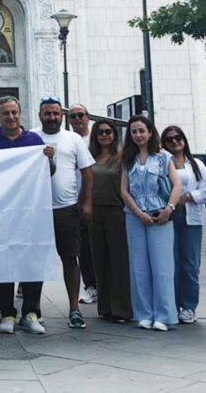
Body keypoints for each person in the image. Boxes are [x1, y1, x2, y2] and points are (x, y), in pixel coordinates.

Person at [0, 96, 46, 334]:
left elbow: (47, 173)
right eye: (5, 113)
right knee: (2, 262)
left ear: (20, 114)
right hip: (0, 214)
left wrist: (49, 160)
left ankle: (30, 313)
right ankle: (7, 312)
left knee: (31, 262)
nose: (10, 117)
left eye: (14, 113)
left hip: (29, 213)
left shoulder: (34, 141)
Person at [31, 98, 94, 330]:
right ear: (40, 115)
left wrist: (86, 203)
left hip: (66, 208)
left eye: (56, 113)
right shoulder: (31, 137)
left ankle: (74, 308)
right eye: (47, 114)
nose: (52, 118)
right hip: (37, 209)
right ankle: (33, 308)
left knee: (70, 257)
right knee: (35, 260)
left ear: (61, 116)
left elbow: (87, 172)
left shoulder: (73, 139)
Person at [120, 115, 182, 331]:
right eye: (134, 131)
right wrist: (138, 213)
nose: (138, 135)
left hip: (159, 215)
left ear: (149, 132)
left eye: (141, 131)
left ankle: (164, 315)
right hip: (135, 216)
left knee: (162, 267)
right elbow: (124, 190)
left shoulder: (164, 157)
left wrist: (169, 209)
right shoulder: (128, 158)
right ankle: (144, 314)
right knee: (139, 267)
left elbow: (177, 185)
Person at [162, 125, 206, 325]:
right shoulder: (162, 162)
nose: (175, 141)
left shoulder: (197, 164)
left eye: (178, 137)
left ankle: (189, 306)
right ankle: (172, 305)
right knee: (170, 263)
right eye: (170, 139)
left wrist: (189, 196)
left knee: (190, 263)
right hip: (170, 216)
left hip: (191, 216)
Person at [87, 119, 132, 323]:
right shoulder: (90, 157)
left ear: (114, 135)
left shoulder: (122, 158)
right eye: (100, 132)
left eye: (108, 132)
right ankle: (105, 307)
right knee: (99, 260)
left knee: (118, 261)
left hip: (116, 212)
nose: (104, 135)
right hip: (94, 213)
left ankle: (121, 309)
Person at [68, 103, 98, 306]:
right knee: (82, 248)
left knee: (99, 245)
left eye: (81, 115)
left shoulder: (95, 140)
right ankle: (90, 286)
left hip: (96, 199)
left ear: (87, 117)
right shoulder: (69, 140)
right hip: (74, 201)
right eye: (73, 116)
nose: (77, 119)